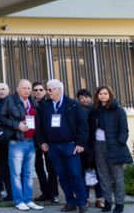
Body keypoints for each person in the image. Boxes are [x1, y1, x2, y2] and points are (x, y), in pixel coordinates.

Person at [39, 79, 89, 213]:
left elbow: (83, 126)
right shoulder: (45, 106)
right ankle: (70, 202)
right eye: (47, 90)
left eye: (50, 90)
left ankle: (82, 203)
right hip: (53, 147)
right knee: (62, 176)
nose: (47, 92)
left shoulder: (72, 104)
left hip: (70, 146)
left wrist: (80, 144)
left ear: (59, 90)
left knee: (75, 175)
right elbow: (41, 126)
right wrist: (42, 141)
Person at [0, 79, 43, 212]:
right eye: (24, 88)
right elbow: (0, 118)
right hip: (16, 142)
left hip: (30, 142)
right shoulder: (11, 100)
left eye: (28, 88)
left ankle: (28, 200)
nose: (27, 90)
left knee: (28, 174)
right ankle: (19, 200)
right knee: (16, 174)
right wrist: (17, 125)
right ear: (17, 89)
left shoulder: (32, 101)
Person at [90, 86, 132, 213]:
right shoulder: (94, 110)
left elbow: (124, 129)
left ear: (110, 95)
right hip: (98, 146)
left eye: (105, 93)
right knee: (103, 176)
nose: (103, 95)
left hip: (114, 146)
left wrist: (119, 142)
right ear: (97, 96)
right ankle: (107, 202)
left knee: (118, 177)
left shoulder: (118, 110)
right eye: (100, 93)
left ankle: (119, 204)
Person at [32, 81, 59, 204]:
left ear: (45, 91)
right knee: (38, 168)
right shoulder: (29, 104)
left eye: (40, 90)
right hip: (33, 141)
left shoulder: (50, 104)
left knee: (51, 168)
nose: (38, 92)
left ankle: (54, 193)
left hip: (47, 141)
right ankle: (45, 192)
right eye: (36, 90)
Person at [77, 89, 103, 208]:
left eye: (86, 97)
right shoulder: (76, 110)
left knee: (98, 173)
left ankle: (99, 199)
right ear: (78, 99)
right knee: (84, 174)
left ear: (91, 98)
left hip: (95, 146)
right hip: (82, 147)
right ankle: (86, 199)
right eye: (81, 97)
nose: (84, 99)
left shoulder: (96, 110)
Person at [0, 82, 12, 200]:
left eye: (3, 89)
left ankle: (18, 193)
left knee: (14, 169)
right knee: (3, 169)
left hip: (12, 141)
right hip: (0, 142)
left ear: (8, 90)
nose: (1, 91)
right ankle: (9, 193)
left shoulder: (14, 103)